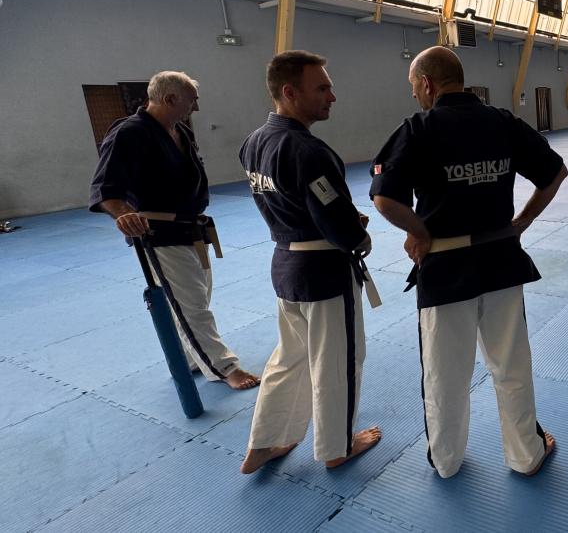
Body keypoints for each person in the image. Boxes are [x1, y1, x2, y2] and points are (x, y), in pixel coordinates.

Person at [371, 46, 567, 480]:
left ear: (427, 83)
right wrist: (522, 222)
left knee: (444, 374)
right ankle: (526, 454)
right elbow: (555, 172)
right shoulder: (502, 121)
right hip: (501, 260)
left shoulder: (418, 128)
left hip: (444, 268)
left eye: (414, 86)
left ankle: (446, 461)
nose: (415, 95)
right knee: (511, 366)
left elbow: (384, 198)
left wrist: (419, 231)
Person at [239, 50, 380, 474]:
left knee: (290, 358)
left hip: (286, 263)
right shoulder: (308, 151)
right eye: (322, 88)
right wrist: (359, 236)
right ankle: (338, 447)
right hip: (323, 274)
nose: (331, 96)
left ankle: (265, 441)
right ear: (290, 92)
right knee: (338, 362)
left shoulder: (253, 142)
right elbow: (337, 222)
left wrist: (334, 220)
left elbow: (291, 201)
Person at [90, 71, 259, 393]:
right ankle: (224, 367)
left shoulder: (179, 130)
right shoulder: (129, 133)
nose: (195, 107)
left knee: (195, 299)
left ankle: (192, 357)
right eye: (192, 101)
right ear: (170, 99)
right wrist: (124, 214)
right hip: (158, 233)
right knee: (192, 305)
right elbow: (106, 188)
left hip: (192, 229)